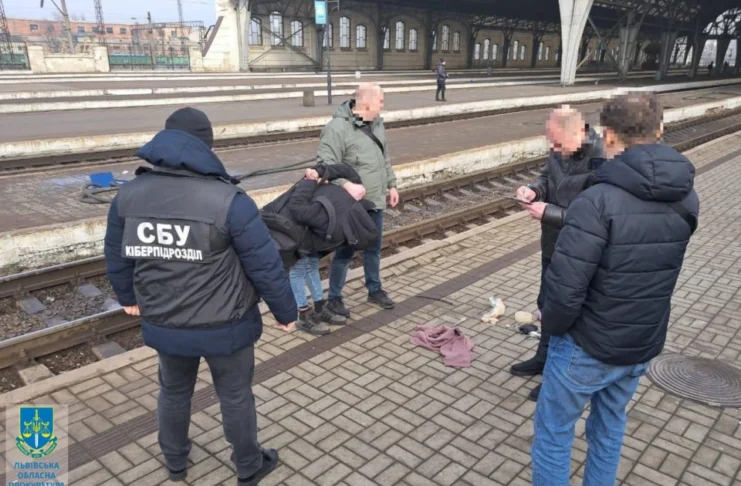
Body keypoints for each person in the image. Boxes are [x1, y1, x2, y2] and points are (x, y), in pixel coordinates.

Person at [104, 107, 297, 486]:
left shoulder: (128, 196)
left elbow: (116, 254)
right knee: (235, 396)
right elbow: (264, 264)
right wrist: (285, 311)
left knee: (173, 393)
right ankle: (248, 466)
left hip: (165, 323)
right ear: (205, 147)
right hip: (226, 326)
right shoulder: (229, 200)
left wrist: (127, 296)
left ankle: (175, 463)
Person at [531, 93, 699, 486]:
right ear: (660, 130)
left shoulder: (596, 202)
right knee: (609, 428)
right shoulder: (686, 197)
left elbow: (565, 289)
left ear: (607, 136)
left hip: (587, 345)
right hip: (641, 342)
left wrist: (551, 328)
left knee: (554, 434)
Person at [510, 106, 605, 402]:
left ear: (578, 133)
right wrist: (533, 191)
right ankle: (542, 357)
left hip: (579, 252)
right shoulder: (559, 149)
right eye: (551, 142)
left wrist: (549, 212)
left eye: (558, 143)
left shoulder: (602, 158)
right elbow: (545, 178)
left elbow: (596, 216)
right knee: (546, 304)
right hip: (553, 243)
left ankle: (555, 377)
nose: (553, 149)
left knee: (566, 313)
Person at [314, 83, 400, 317]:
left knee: (373, 249)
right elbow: (325, 165)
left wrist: (391, 184)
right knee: (344, 253)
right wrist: (346, 184)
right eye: (380, 101)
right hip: (350, 206)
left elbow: (384, 158)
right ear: (367, 103)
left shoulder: (377, 124)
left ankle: (374, 289)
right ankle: (334, 298)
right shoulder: (337, 128)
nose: (382, 106)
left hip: (375, 201)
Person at [265, 163, 379, 335]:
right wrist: (311, 179)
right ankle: (303, 315)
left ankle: (319, 307)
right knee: (298, 269)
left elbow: (346, 169)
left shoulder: (349, 206)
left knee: (311, 263)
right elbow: (297, 206)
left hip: (306, 228)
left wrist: (325, 173)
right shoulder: (330, 220)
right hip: (285, 225)